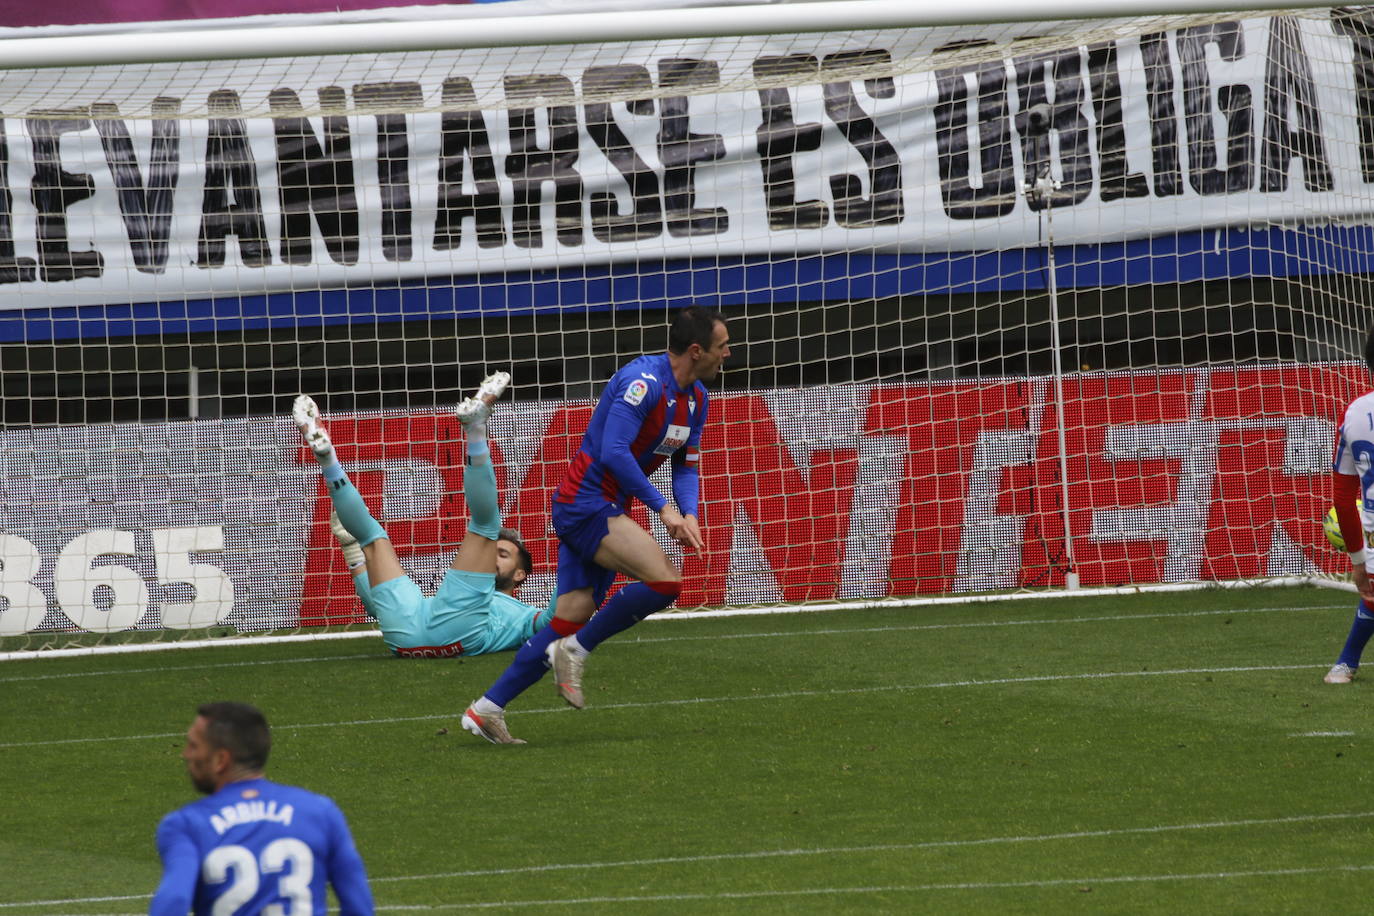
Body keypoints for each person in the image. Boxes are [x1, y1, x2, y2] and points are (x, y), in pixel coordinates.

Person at [462, 306, 730, 744]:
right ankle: (577, 650)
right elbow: (614, 452)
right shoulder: (641, 384)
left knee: (571, 615)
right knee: (665, 582)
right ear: (697, 350)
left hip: (606, 503)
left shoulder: (696, 398)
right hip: (585, 501)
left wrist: (690, 513)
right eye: (722, 347)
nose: (728, 354)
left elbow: (686, 464)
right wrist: (663, 509)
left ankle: (486, 709)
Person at [293, 372, 552, 658]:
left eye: (503, 555)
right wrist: (354, 554)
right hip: (407, 634)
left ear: (520, 574)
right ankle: (328, 459)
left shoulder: (526, 616)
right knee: (370, 536)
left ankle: (477, 428)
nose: (491, 556)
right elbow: (375, 606)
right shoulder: (445, 599)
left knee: (487, 525)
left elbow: (552, 621)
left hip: (442, 633)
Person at [150, 701, 374, 915]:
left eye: (193, 746)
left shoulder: (187, 824)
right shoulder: (320, 812)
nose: (186, 754)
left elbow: (175, 900)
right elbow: (359, 906)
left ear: (221, 760)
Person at [1325, 324, 1374, 683]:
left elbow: (1343, 496)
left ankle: (1346, 663)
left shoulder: (1355, 413)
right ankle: (1346, 662)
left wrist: (1357, 560)